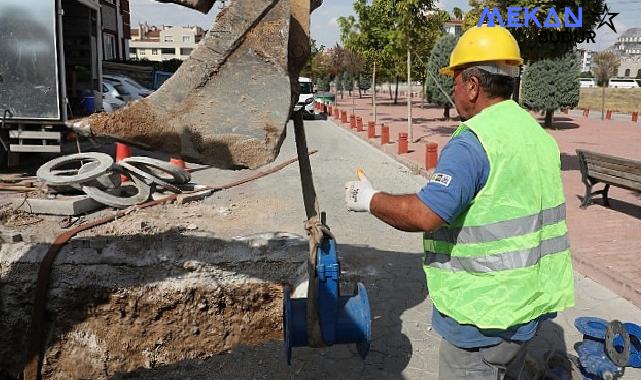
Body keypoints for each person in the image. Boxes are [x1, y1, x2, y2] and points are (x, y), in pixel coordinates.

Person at [344, 25, 575, 380]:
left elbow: (425, 215)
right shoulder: (535, 134)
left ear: (473, 85)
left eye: (454, 81)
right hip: (526, 309)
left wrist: (370, 199)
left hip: (480, 319)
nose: (452, 90)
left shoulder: (473, 141)